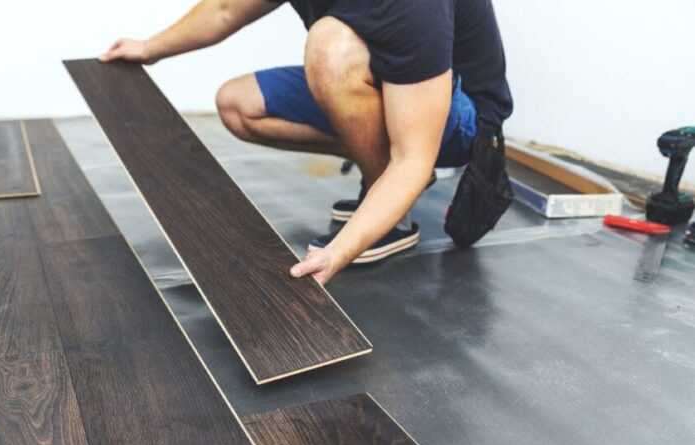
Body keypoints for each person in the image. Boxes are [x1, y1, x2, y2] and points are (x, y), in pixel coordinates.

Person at [100, 0, 512, 285]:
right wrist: (149, 48)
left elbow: (412, 159)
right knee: (238, 104)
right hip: (387, 80)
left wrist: (340, 250)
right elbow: (225, 10)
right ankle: (381, 185)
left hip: (463, 121)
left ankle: (392, 219)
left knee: (330, 47)